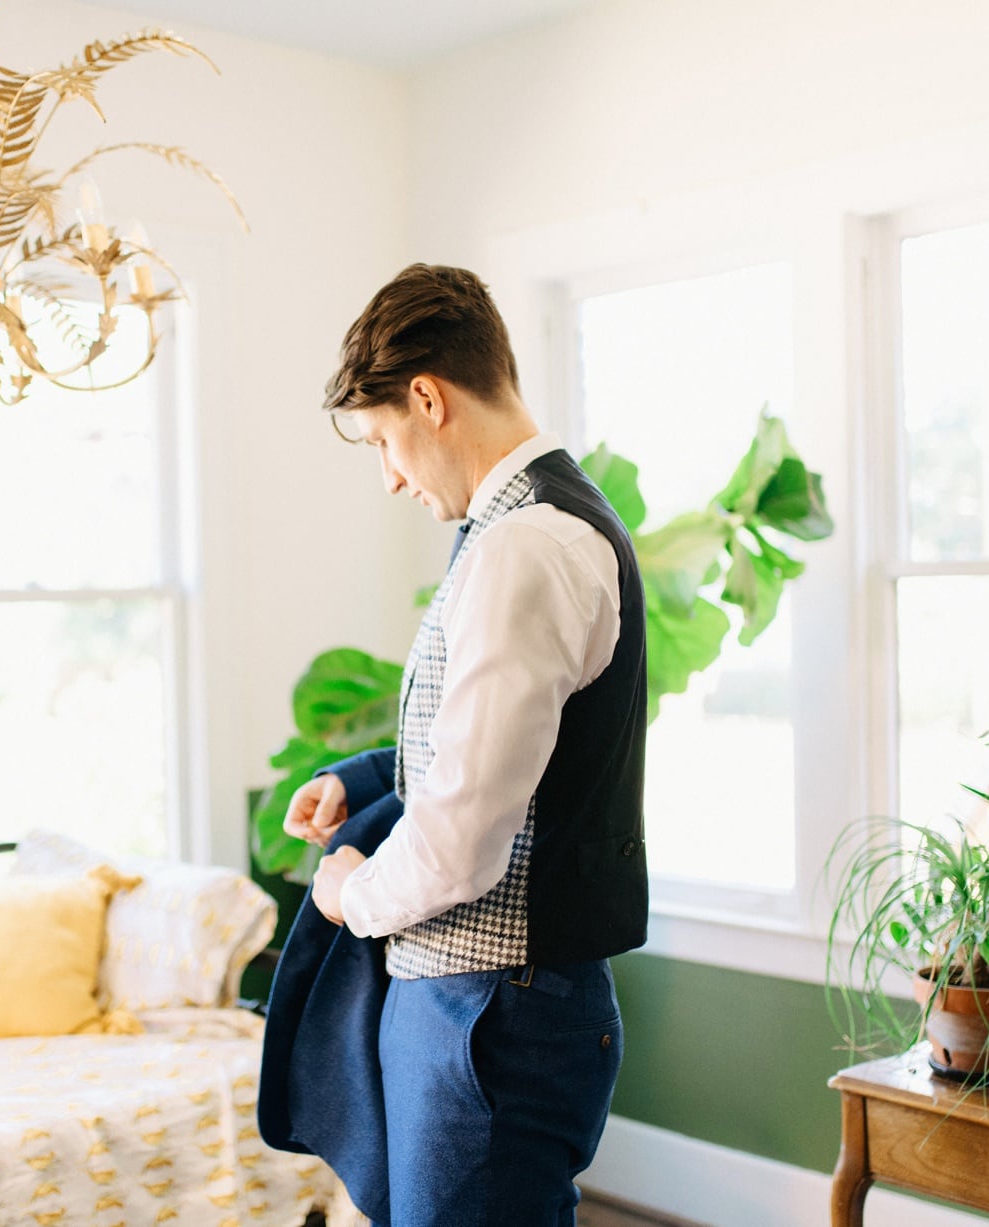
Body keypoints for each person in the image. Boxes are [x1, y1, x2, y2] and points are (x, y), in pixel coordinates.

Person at [283, 263, 649, 1226]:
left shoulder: (529, 546)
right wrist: (354, 776)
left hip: (489, 1012)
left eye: (381, 441)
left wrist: (347, 889)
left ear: (428, 398)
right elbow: (504, 747)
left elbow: (462, 839)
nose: (390, 474)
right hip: (486, 1004)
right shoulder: (519, 530)